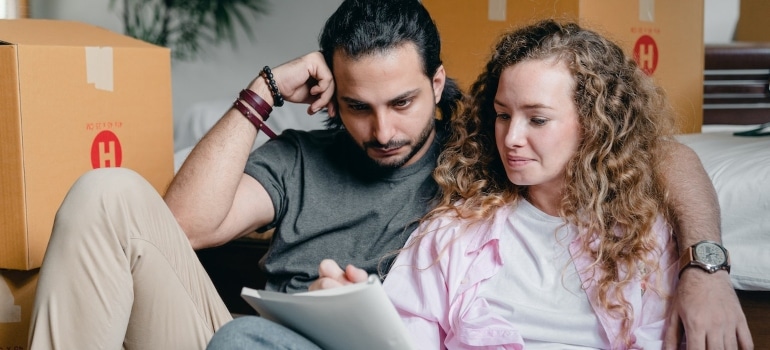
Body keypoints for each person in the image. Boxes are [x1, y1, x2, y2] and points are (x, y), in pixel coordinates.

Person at [28, 0, 749, 349]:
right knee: (107, 192)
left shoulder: (485, 142)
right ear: (332, 98)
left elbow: (657, 152)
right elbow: (183, 227)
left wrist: (706, 265)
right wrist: (264, 91)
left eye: (402, 103)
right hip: (262, 339)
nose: (383, 131)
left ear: (438, 84)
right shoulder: (301, 157)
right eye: (358, 107)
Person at [381, 19, 681, 349]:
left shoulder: (645, 236)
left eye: (537, 119)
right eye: (503, 115)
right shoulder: (451, 234)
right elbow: (400, 336)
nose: (511, 138)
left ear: (595, 124)